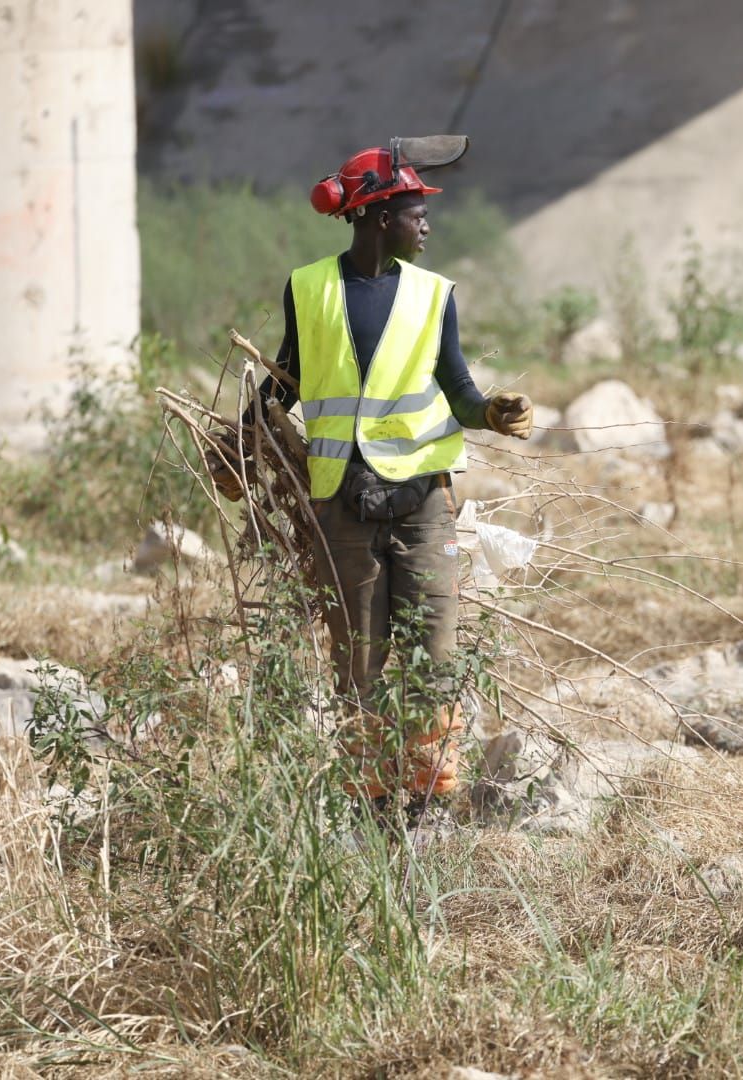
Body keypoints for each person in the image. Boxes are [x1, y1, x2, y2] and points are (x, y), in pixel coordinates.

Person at [219, 137, 536, 816]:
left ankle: (426, 799)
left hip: (423, 499)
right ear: (376, 215)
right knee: (358, 658)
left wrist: (491, 412)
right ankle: (370, 801)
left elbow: (456, 388)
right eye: (414, 212)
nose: (426, 225)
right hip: (344, 502)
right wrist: (241, 441)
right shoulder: (310, 288)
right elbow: (288, 380)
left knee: (434, 652)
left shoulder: (433, 295)